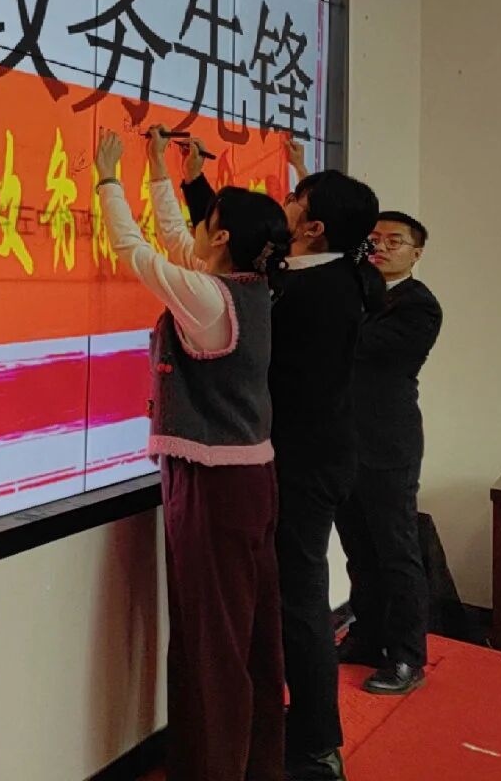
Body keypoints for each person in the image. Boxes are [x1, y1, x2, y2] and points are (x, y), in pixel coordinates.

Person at [182, 142, 384, 781]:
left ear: (314, 227)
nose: (285, 206)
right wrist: (198, 187)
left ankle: (317, 745)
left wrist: (197, 198)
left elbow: (242, 259)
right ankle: (301, 732)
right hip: (322, 456)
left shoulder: (309, 289)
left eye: (295, 200)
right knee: (292, 595)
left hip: (303, 463)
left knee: (298, 601)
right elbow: (250, 245)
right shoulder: (348, 273)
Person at [95, 128, 289, 781]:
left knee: (211, 641)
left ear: (224, 236)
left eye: (207, 220)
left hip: (212, 481)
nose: (196, 229)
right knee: (248, 634)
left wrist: (108, 179)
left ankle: (213, 768)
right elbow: (178, 243)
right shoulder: (245, 289)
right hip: (250, 477)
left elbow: (137, 252)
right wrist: (159, 171)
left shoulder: (209, 297)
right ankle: (254, 762)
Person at [335, 212, 443, 696]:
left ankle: (406, 656)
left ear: (416, 253)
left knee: (396, 551)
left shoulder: (419, 305)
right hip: (341, 442)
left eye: (394, 241)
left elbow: (359, 345)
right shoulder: (356, 292)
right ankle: (365, 636)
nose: (380, 247)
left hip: (387, 444)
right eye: (374, 239)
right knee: (358, 548)